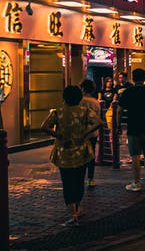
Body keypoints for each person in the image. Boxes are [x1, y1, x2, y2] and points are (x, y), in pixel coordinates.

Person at [41, 85, 102, 227]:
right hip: (82, 151)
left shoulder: (58, 112)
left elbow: (44, 126)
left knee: (67, 182)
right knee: (79, 180)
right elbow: (98, 122)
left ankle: (73, 213)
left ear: (64, 97)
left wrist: (58, 135)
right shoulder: (85, 112)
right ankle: (77, 207)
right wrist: (85, 133)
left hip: (64, 152)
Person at [116, 68, 145, 192]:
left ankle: (136, 182)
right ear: (144, 78)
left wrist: (118, 125)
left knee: (135, 156)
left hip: (133, 127)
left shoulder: (128, 92)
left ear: (133, 78)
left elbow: (119, 110)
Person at [79, 79, 103, 188]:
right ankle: (91, 178)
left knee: (81, 155)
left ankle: (81, 177)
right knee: (91, 154)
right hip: (93, 132)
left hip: (80, 132)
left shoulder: (80, 101)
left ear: (83, 88)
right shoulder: (95, 102)